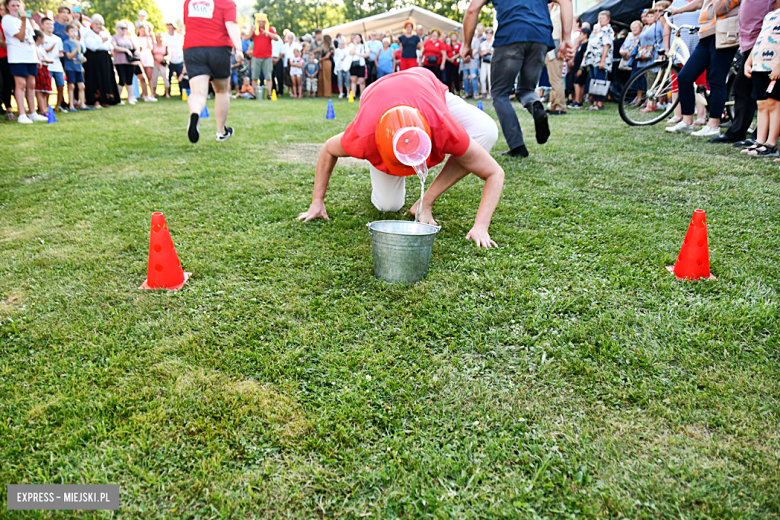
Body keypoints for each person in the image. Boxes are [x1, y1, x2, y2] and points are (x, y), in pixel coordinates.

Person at [297, 67, 504, 249]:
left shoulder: (442, 125)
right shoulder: (362, 136)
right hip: (375, 93)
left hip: (424, 85)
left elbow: (495, 172)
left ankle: (425, 203)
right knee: (388, 206)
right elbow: (328, 150)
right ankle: (392, 179)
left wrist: (481, 227)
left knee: (486, 130)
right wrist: (317, 202)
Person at [463, 0, 574, 158]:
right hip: (541, 36)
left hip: (511, 34)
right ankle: (536, 107)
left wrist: (466, 45)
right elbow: (566, 1)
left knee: (500, 93)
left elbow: (473, 9)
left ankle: (517, 146)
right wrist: (566, 38)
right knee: (526, 89)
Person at [667, 0, 741, 137]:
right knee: (684, 77)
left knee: (716, 79)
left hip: (724, 33)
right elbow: (700, 2)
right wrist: (678, 10)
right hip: (706, 34)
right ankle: (687, 122)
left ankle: (713, 125)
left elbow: (721, 7)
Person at [711, 0, 776, 144]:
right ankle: (738, 131)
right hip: (749, 41)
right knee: (742, 87)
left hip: (766, 42)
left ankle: (762, 136)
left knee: (763, 94)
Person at [183, 0, 243, 143]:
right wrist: (239, 49)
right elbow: (231, 24)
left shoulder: (189, 2)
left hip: (193, 48)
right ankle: (221, 131)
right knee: (221, 90)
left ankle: (195, 114)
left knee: (198, 92)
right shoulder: (226, 2)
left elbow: (188, 23)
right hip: (219, 48)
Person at [740, 6, 780, 156]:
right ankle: (760, 142)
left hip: (774, 67)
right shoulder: (770, 15)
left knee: (773, 103)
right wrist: (748, 62)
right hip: (759, 65)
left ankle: (771, 144)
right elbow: (760, 40)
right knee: (761, 104)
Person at [2, 0, 48, 123]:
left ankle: (33, 112)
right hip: (17, 56)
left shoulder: (26, 20)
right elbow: (20, 37)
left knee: (31, 84)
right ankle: (22, 114)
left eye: (18, 5)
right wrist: (22, 20)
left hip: (30, 55)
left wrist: (37, 57)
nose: (16, 8)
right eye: (13, 5)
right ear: (7, 6)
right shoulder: (7, 19)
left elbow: (31, 40)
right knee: (21, 84)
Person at [83, 14, 119, 108]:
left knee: (106, 78)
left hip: (105, 59)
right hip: (93, 60)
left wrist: (101, 42)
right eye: (96, 24)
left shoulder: (104, 33)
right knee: (95, 79)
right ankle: (96, 101)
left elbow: (110, 46)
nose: (98, 26)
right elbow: (92, 47)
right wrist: (101, 41)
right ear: (92, 24)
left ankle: (106, 100)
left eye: (100, 24)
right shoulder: (88, 34)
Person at [635, 6, 665, 113]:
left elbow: (663, 38)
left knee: (652, 79)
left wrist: (661, 52)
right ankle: (650, 102)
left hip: (654, 54)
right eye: (648, 16)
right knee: (648, 79)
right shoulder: (645, 27)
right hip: (645, 56)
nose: (650, 18)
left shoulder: (658, 25)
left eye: (652, 16)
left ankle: (651, 104)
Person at [582, 10, 613, 110]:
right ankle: (595, 103)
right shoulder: (600, 30)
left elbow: (606, 46)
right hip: (594, 60)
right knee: (594, 81)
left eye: (603, 18)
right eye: (600, 18)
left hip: (601, 60)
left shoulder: (607, 30)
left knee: (600, 81)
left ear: (608, 20)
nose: (601, 20)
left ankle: (600, 103)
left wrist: (602, 61)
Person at [251, 13, 279, 99]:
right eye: (259, 21)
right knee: (254, 77)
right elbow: (245, 38)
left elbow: (277, 38)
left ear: (265, 22)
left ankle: (269, 95)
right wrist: (252, 31)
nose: (261, 23)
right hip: (256, 56)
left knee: (268, 77)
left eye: (262, 21)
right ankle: (254, 94)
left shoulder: (269, 29)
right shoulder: (254, 30)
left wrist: (267, 33)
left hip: (267, 57)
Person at [545, 0, 567, 114]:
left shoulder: (561, 8)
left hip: (556, 44)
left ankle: (560, 106)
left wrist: (562, 47)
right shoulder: (550, 7)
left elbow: (564, 28)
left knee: (556, 77)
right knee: (552, 77)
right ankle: (553, 104)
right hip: (549, 44)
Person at [41, 17, 65, 113]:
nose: (50, 26)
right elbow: (40, 50)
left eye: (51, 24)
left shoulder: (58, 39)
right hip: (47, 65)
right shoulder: (41, 37)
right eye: (47, 24)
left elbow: (60, 51)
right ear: (42, 26)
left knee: (61, 86)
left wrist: (60, 54)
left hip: (57, 65)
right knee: (47, 87)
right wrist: (49, 49)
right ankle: (45, 106)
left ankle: (58, 105)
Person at [62, 22, 87, 111]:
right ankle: (71, 105)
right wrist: (76, 48)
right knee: (71, 86)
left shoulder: (79, 44)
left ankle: (82, 104)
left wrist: (83, 59)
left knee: (81, 86)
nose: (74, 33)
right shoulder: (66, 43)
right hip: (70, 67)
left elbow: (80, 55)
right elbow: (69, 56)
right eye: (71, 31)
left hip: (78, 67)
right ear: (67, 33)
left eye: (75, 31)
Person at [618, 22, 643, 107]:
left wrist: (628, 52)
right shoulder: (628, 37)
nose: (634, 29)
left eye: (636, 27)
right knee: (632, 80)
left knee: (639, 80)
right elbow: (622, 49)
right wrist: (626, 52)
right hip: (627, 63)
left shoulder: (641, 37)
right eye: (633, 27)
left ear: (640, 28)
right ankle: (635, 98)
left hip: (637, 60)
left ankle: (639, 99)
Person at [569, 26, 590, 108]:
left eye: (581, 34)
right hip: (578, 67)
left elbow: (585, 57)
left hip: (581, 67)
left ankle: (578, 101)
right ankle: (578, 100)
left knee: (577, 83)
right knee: (579, 83)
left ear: (585, 35)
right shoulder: (581, 44)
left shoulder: (586, 45)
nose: (579, 36)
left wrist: (581, 68)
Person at [33, 29, 52, 116]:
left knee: (45, 91)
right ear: (39, 38)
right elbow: (37, 59)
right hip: (40, 69)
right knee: (40, 90)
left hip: (45, 69)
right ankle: (42, 110)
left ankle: (45, 108)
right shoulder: (35, 48)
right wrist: (45, 60)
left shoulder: (41, 48)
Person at [163, 22, 183, 98]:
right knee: (168, 77)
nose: (171, 29)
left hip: (179, 59)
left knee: (180, 76)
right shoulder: (165, 36)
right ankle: (168, 92)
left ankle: (182, 91)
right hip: (169, 60)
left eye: (173, 28)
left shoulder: (180, 37)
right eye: (169, 27)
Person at [137, 22, 156, 101]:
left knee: (149, 76)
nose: (143, 32)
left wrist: (148, 38)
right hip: (140, 57)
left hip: (148, 57)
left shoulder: (149, 39)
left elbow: (150, 47)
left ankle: (151, 94)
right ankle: (144, 93)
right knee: (142, 76)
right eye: (142, 30)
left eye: (144, 30)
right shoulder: (136, 39)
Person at [0, 3, 12, 119]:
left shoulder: (10, 23)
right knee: (1, 83)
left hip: (9, 57)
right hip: (2, 56)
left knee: (8, 83)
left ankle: (9, 108)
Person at [348, 33, 368, 98]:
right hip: (354, 64)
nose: (357, 39)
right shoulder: (351, 45)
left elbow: (367, 54)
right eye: (355, 38)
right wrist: (355, 45)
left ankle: (362, 95)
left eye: (358, 38)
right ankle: (353, 95)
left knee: (361, 80)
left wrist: (358, 54)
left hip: (361, 64)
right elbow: (351, 52)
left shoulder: (364, 45)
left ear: (361, 38)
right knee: (353, 80)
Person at [151, 32, 169, 99]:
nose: (160, 39)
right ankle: (154, 92)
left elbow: (169, 55)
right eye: (158, 37)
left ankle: (167, 93)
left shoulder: (166, 46)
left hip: (163, 64)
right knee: (154, 78)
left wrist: (163, 58)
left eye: (161, 37)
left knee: (165, 78)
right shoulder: (153, 45)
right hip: (155, 64)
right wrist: (156, 58)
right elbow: (152, 53)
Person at [478, 28, 494, 98]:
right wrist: (485, 52)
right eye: (487, 32)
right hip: (484, 62)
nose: (488, 34)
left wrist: (489, 51)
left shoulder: (494, 43)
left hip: (491, 62)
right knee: (482, 78)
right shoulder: (482, 44)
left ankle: (490, 93)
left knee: (490, 78)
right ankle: (483, 92)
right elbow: (480, 54)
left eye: (490, 32)